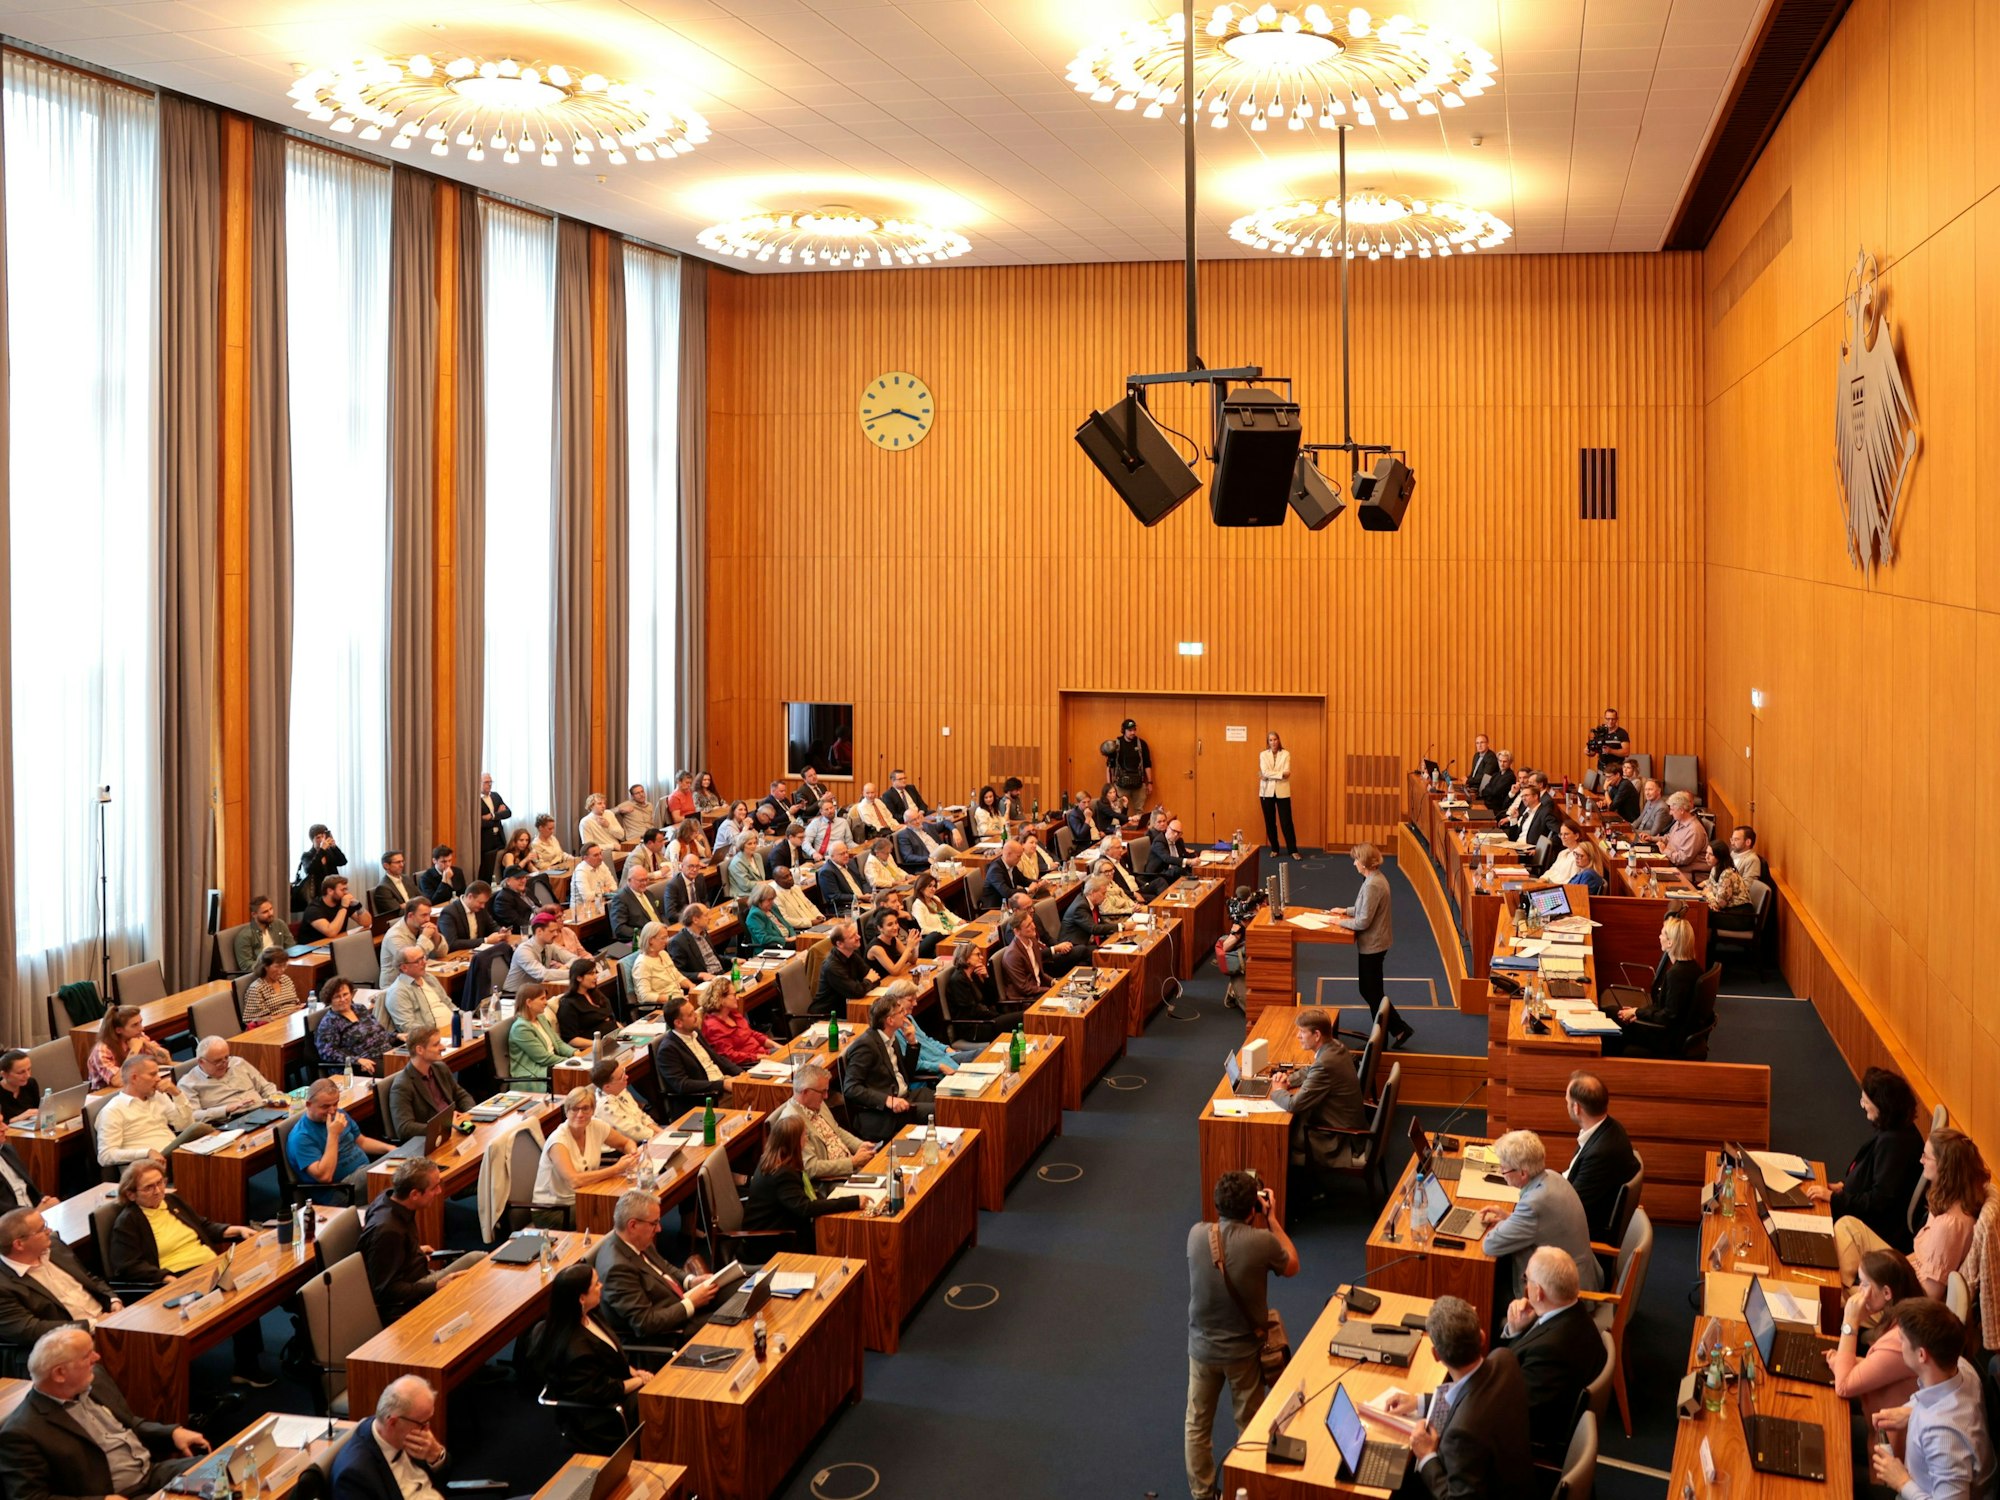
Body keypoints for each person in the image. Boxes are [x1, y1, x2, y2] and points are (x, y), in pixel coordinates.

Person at [1184, 1169, 1299, 1500]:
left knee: (1197, 1426)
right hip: (1243, 1354)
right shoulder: (1262, 1241)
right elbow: (1292, 1264)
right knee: (1249, 1426)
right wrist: (1272, 1218)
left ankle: (1203, 1495)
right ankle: (1245, 1492)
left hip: (1202, 1349)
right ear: (1253, 1208)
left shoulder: (1195, 1235)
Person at [103, 1161, 266, 1383]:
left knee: (251, 1285)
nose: (158, 1190)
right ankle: (246, 1367)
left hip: (210, 1266)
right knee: (239, 1295)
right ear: (131, 1194)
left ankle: (248, 1362)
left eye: (160, 1182)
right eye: (149, 1187)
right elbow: (127, 1265)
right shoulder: (128, 1222)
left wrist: (234, 1230)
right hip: (179, 1277)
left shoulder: (171, 1201)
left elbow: (202, 1226)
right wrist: (165, 1277)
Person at [0, 1327, 207, 1500]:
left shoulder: (94, 1380)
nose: (97, 1358)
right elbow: (31, 1498)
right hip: (118, 1494)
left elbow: (129, 1423)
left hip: (151, 1474)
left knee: (223, 1472)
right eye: (86, 1356)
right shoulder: (21, 1432)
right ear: (59, 1373)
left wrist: (171, 1433)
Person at [1381, 1296, 1535, 1499]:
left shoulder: (1461, 1434)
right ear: (1481, 1336)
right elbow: (1473, 1391)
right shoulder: (1504, 1359)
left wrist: (1427, 1456)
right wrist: (1420, 1402)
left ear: (1436, 1355)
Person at [1867, 1298, 1997, 1499]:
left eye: (1901, 1339)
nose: (1898, 1344)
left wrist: (1902, 1481)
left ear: (1921, 1355)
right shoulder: (1960, 1366)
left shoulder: (1944, 1436)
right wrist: (1911, 1412)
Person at [1836, 1127, 1988, 1295]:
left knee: (1846, 1298)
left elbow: (1929, 1296)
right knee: (1847, 1226)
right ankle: (1846, 1286)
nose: (1921, 1160)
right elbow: (1919, 1256)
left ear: (1943, 1167)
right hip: (1906, 1274)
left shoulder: (1949, 1226)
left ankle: (1844, 1293)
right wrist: (1889, 1268)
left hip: (1906, 1298)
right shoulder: (1945, 1199)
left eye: (1926, 1157)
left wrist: (1884, 1285)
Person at [1804, 1065, 1925, 1253]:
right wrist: (1843, 1188)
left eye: (1865, 1101)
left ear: (1882, 1105)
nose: (1862, 1105)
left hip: (1877, 1229)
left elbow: (1879, 1202)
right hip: (1858, 1206)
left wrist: (1835, 1199)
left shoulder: (1894, 1144)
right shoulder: (1897, 1129)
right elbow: (1873, 1176)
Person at [527, 1262, 647, 1451]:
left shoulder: (589, 1313)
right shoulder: (576, 1350)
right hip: (601, 1416)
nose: (601, 1287)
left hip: (615, 1387)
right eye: (596, 1284)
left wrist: (634, 1372)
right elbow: (603, 1391)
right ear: (582, 1298)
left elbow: (614, 1353)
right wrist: (640, 1380)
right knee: (658, 1408)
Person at [1498, 1246, 1604, 1459]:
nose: (1524, 1285)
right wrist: (1517, 1329)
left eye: (1526, 1279)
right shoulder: (1574, 1314)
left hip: (1525, 1444)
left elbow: (1515, 1412)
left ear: (1538, 1292)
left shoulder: (1551, 1351)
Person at [1477, 1130, 1603, 1297]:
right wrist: (1509, 1218)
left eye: (1504, 1168)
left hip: (1565, 1291)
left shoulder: (1534, 1203)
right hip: (1582, 1273)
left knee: (1487, 1288)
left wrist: (1502, 1225)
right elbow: (1543, 1225)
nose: (1501, 1172)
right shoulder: (1552, 1176)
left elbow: (1490, 1245)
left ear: (1523, 1173)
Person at [594, 1190, 719, 1354]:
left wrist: (691, 1281)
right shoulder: (617, 1269)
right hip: (670, 1335)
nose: (659, 1229)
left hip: (678, 1305)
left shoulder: (636, 1240)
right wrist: (691, 1303)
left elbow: (664, 1267)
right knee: (730, 1323)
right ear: (633, 1225)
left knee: (738, 1292)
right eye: (654, 1223)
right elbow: (645, 1324)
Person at [358, 1160, 483, 1320]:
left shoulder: (388, 1198)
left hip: (414, 1270)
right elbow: (386, 1291)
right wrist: (435, 1286)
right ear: (414, 1194)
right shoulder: (388, 1231)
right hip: (412, 1293)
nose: (439, 1191)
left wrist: (412, 1249)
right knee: (477, 1259)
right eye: (434, 1187)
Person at [0, 1208, 123, 1348]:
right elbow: (29, 1330)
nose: (49, 1230)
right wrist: (93, 1325)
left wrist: (113, 1300)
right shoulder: (3, 1285)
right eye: (42, 1229)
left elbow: (89, 1279)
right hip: (66, 1347)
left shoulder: (55, 1246)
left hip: (108, 1322)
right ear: (19, 1244)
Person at [1827, 1247, 1924, 1423]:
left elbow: (1843, 1386)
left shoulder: (1899, 1340)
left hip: (1883, 1437)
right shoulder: (1903, 1315)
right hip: (1872, 1404)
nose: (1859, 1291)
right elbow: (1883, 1365)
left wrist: (1850, 1322)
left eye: (1864, 1284)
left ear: (1887, 1293)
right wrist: (1843, 1362)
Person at [1266, 1008, 1366, 1172]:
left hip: (1337, 1139)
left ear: (1317, 1035)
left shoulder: (1325, 1064)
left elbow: (1294, 1105)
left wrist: (1277, 1091)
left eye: (1302, 1032)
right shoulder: (1336, 1046)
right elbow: (1311, 1070)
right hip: (1345, 1122)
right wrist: (1288, 1080)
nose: (1298, 1036)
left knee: (1276, 1138)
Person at [1332, 843, 1410, 1047]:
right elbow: (1362, 908)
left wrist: (1338, 922)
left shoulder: (1373, 884)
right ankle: (1399, 1029)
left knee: (1371, 991)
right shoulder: (1373, 879)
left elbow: (1363, 921)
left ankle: (1382, 1039)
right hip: (1375, 943)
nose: (1354, 864)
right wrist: (1345, 911)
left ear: (1364, 863)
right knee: (1371, 990)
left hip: (1374, 944)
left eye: (1356, 860)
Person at [330, 1375, 451, 1500]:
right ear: (392, 1422)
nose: (427, 1430)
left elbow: (445, 1481)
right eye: (422, 1424)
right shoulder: (354, 1476)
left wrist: (436, 1455)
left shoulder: (405, 1431)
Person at [532, 1088, 637, 1221]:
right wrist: (616, 1169)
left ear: (593, 1110)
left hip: (585, 1196)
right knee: (619, 1213)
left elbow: (626, 1143)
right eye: (575, 1109)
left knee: (630, 1205)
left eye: (585, 1108)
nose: (580, 1114)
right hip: (555, 1210)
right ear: (567, 1111)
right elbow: (574, 1181)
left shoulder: (596, 1126)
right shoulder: (558, 1140)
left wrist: (632, 1155)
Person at [842, 991, 935, 1138]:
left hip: (907, 1096)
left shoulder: (891, 1037)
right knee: (941, 1111)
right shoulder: (866, 1046)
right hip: (885, 1113)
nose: (905, 1014)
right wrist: (888, 1100)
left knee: (949, 1102)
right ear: (890, 1020)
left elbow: (907, 1074)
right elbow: (851, 1088)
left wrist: (912, 1043)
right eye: (900, 1012)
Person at [1561, 1071, 1639, 1242]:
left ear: (1577, 1108)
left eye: (1567, 1101)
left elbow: (1569, 1209)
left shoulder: (1601, 1153)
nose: (1565, 1105)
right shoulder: (1610, 1127)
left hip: (1579, 1236)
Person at [1608, 915, 1701, 1057]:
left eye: (1662, 933)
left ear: (1670, 942)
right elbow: (1666, 1009)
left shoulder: (1676, 975)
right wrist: (1637, 1013)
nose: (1659, 937)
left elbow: (1668, 1017)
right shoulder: (1694, 967)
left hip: (1663, 1037)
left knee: (1608, 1016)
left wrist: (1638, 1013)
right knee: (1613, 1012)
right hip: (1668, 1030)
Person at [286, 1078, 392, 1203]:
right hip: (341, 1191)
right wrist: (333, 1134)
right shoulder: (301, 1137)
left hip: (363, 1173)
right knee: (399, 1174)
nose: (332, 1111)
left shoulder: (339, 1114)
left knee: (403, 1164)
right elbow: (325, 1177)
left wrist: (392, 1149)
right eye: (325, 1106)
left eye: (335, 1104)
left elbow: (362, 1141)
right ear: (309, 1105)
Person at [97, 1056, 211, 1168]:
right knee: (200, 1129)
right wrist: (147, 1152)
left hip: (175, 1155)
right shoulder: (112, 1111)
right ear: (134, 1078)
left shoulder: (158, 1096)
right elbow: (105, 1156)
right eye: (152, 1074)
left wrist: (177, 1094)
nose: (158, 1079)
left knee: (207, 1143)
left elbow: (184, 1126)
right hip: (148, 1167)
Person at [774, 1064, 869, 1181]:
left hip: (852, 1167)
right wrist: (852, 1163)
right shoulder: (793, 1122)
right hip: (832, 1181)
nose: (826, 1096)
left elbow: (836, 1130)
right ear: (805, 1092)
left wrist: (860, 1145)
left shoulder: (816, 1103)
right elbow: (811, 1167)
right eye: (822, 1092)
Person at [386, 1027, 475, 1140]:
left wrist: (468, 1113)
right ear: (420, 1050)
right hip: (432, 1140)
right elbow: (404, 1128)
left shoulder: (440, 1068)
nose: (442, 1047)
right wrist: (444, 1126)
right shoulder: (402, 1085)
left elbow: (461, 1095)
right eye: (436, 1044)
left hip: (456, 1129)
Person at [183, 1035, 289, 1123]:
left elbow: (265, 1086)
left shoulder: (238, 1063)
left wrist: (275, 1099)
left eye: (226, 1057)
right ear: (201, 1061)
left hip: (264, 1109)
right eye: (218, 1061)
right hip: (232, 1122)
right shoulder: (188, 1083)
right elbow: (192, 1116)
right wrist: (226, 1109)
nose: (224, 1064)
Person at [657, 995, 742, 1103]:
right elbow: (683, 1085)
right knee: (757, 1100)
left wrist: (742, 1074)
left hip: (723, 1083)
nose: (696, 1016)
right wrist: (722, 1085)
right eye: (691, 1014)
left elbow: (717, 1058)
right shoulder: (668, 1050)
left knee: (761, 1090)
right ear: (678, 1023)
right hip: (707, 1098)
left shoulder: (695, 1032)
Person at [315, 976, 399, 1075]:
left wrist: (396, 1036)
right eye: (337, 996)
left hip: (386, 1053)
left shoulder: (360, 1008)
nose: (343, 999)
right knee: (400, 1072)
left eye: (345, 994)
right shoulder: (329, 1022)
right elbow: (328, 1052)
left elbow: (377, 1032)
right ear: (329, 1000)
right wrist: (357, 1060)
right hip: (364, 1064)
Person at [86, 1005, 172, 1091]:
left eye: (140, 1022)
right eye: (135, 1025)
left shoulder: (137, 1036)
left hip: (135, 1086)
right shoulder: (102, 1050)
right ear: (118, 1030)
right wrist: (134, 1050)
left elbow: (166, 1060)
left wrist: (148, 1045)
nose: (142, 1028)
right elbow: (118, 1082)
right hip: (107, 1096)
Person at [507, 984, 577, 1087]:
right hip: (535, 1074)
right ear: (529, 1002)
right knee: (577, 1075)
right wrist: (571, 1062)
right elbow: (543, 1058)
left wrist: (575, 1053)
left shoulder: (541, 1018)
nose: (546, 1002)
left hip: (551, 1065)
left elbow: (558, 1043)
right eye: (542, 999)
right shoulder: (521, 1028)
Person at [1054, 873, 1119, 974]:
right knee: (1106, 954)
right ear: (1092, 893)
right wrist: (1120, 926)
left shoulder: (1091, 902)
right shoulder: (1080, 907)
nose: (1105, 897)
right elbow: (1094, 929)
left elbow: (1100, 923)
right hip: (1073, 948)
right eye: (1103, 893)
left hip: (1086, 943)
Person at [700, 980, 775, 1066]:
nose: (737, 998)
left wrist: (776, 1046)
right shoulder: (712, 1027)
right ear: (721, 999)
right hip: (751, 1063)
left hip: (763, 1054)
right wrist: (759, 1057)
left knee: (791, 1052)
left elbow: (751, 1034)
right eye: (734, 995)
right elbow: (730, 1056)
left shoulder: (733, 1013)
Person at [383, 945, 456, 1036]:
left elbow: (448, 1003)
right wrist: (434, 1034)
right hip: (433, 1038)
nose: (424, 962)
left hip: (456, 1027)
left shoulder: (429, 978)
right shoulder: (398, 991)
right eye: (418, 961)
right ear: (404, 967)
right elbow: (408, 1027)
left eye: (423, 958)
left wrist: (466, 1017)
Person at [1701, 837, 1755, 954]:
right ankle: (1704, 953)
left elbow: (1720, 903)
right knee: (1703, 912)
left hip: (1740, 916)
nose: (1706, 857)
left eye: (1711, 854)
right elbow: (1708, 888)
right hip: (1729, 912)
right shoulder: (1715, 869)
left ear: (1719, 857)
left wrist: (1709, 894)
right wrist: (1710, 895)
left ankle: (1705, 955)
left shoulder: (1727, 873)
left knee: (1703, 915)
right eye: (1706, 853)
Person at [591, 1058, 660, 1144]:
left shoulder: (621, 1090)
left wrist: (660, 1131)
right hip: (621, 1148)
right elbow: (631, 1130)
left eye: (623, 1072)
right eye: (621, 1077)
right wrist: (660, 1136)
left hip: (643, 1135)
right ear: (607, 1087)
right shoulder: (604, 1107)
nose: (626, 1077)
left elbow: (640, 1115)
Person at [813, 920, 873, 1019]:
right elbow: (857, 992)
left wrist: (865, 983)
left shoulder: (853, 953)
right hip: (828, 1017)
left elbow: (875, 977)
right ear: (840, 944)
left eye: (856, 934)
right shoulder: (832, 967)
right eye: (852, 936)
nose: (859, 937)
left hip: (845, 1009)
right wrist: (868, 980)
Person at [632, 921, 695, 1011]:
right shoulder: (642, 964)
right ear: (651, 940)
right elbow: (645, 996)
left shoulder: (663, 953)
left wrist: (691, 986)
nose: (667, 941)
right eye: (663, 938)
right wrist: (673, 999)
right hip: (664, 1007)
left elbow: (676, 975)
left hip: (679, 1000)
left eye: (666, 937)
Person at [1258, 731, 1300, 860]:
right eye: (1270, 740)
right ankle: (1274, 849)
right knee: (1270, 822)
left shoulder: (1285, 754)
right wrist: (1279, 774)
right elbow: (1264, 771)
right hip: (1266, 792)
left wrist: (1267, 775)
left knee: (1286, 822)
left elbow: (1287, 772)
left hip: (1282, 792)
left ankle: (1293, 850)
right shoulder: (1263, 754)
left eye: (1275, 739)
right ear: (1268, 742)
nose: (1273, 742)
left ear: (1279, 740)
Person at [232, 894, 296, 973]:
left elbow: (292, 947)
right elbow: (246, 965)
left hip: (284, 967)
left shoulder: (279, 924)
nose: (270, 913)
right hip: (261, 974)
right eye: (265, 912)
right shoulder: (244, 936)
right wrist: (269, 966)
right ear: (254, 915)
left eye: (271, 909)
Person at [1104, 719, 1153, 815]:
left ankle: (1138, 829)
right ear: (1123, 730)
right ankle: (1119, 830)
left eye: (1134, 730)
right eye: (1130, 730)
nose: (1133, 732)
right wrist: (1109, 786)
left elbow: (1147, 764)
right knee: (1118, 811)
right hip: (1121, 785)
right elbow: (1110, 767)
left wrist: (1150, 782)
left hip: (1138, 784)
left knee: (1140, 811)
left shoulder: (1141, 744)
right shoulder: (1116, 745)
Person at [610, 864, 667, 946]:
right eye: (641, 880)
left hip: (661, 935)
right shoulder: (621, 899)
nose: (644, 883)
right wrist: (646, 935)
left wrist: (665, 927)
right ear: (629, 881)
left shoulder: (648, 893)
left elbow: (660, 914)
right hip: (644, 941)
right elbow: (620, 928)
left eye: (646, 879)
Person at [668, 904, 729, 980]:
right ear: (695, 920)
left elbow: (712, 957)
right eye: (706, 915)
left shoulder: (704, 933)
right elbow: (678, 973)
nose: (710, 917)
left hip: (721, 974)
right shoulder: (678, 942)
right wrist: (700, 975)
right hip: (706, 981)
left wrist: (732, 960)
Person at [294, 823, 348, 908]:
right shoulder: (307, 855)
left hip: (333, 892)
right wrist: (321, 850)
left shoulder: (330, 852)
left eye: (323, 836)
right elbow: (309, 869)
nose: (321, 840)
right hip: (317, 894)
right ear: (312, 840)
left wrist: (334, 847)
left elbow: (343, 861)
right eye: (318, 837)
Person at [435, 879, 497, 949]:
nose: (483, 906)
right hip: (456, 954)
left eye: (484, 903)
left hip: (477, 952)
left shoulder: (480, 909)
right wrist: (485, 940)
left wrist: (501, 932)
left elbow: (492, 926)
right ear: (470, 897)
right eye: (480, 903)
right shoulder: (449, 913)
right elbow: (452, 943)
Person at [304, 875, 370, 939]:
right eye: (343, 890)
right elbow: (331, 932)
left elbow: (367, 923)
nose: (346, 893)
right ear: (330, 891)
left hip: (337, 942)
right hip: (314, 947)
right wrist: (343, 907)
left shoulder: (341, 901)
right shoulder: (313, 909)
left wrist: (358, 905)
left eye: (346, 889)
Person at [816, 840, 870, 914]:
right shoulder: (827, 872)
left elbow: (862, 881)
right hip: (845, 907)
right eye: (842, 854)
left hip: (863, 900)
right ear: (832, 856)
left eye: (846, 852)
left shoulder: (850, 862)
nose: (846, 855)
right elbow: (835, 897)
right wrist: (858, 897)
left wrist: (868, 894)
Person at [1657, 790, 1707, 868]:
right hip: (1671, 864)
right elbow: (1669, 838)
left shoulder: (1694, 830)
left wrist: (1665, 851)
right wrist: (1652, 839)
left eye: (1672, 809)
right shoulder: (1678, 823)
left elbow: (1683, 859)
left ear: (1681, 810)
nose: (1670, 813)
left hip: (1686, 872)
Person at [475, 772, 511, 878]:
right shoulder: (476, 800)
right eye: (486, 782)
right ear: (479, 783)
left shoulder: (495, 796)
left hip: (499, 838)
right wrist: (498, 816)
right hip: (486, 841)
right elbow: (479, 822)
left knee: (501, 865)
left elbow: (508, 813)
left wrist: (492, 815)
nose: (489, 784)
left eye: (491, 782)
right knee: (488, 870)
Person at [1585, 707, 1630, 772]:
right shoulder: (1599, 732)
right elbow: (1593, 752)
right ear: (1604, 719)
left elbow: (1626, 752)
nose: (1610, 721)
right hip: (1601, 769)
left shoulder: (1622, 733)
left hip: (1616, 770)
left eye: (1613, 719)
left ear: (1617, 719)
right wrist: (1588, 751)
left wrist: (1611, 751)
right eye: (1608, 719)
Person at [0, 1051, 38, 1127]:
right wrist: (17, 1119)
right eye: (21, 1072)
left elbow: (38, 1108)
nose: (27, 1075)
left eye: (29, 1069)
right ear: (4, 1074)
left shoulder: (30, 1083)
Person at [1480, 750, 1519, 819]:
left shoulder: (1510, 776)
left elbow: (1495, 792)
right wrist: (1489, 790)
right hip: (1488, 804)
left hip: (1497, 809)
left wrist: (1489, 790)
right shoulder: (1496, 774)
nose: (1502, 764)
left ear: (1510, 762)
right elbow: (1484, 790)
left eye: (1505, 761)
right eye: (1500, 761)